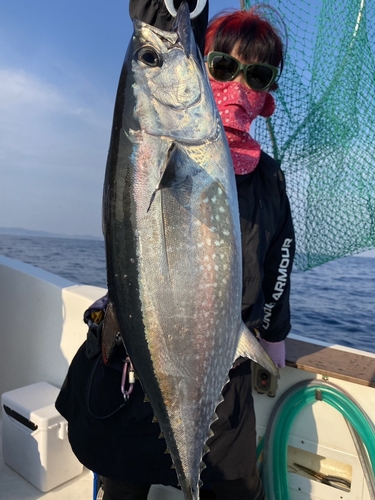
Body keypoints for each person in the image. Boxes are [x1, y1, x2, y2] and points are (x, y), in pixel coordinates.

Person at [55, 2, 295, 500]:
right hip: (145, 359)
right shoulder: (169, 141)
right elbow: (170, 81)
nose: (237, 87)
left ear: (269, 90)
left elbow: (279, 261)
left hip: (222, 376)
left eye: (258, 75)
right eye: (223, 67)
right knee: (124, 486)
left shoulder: (268, 177)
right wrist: (173, 24)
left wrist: (272, 335)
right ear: (205, 72)